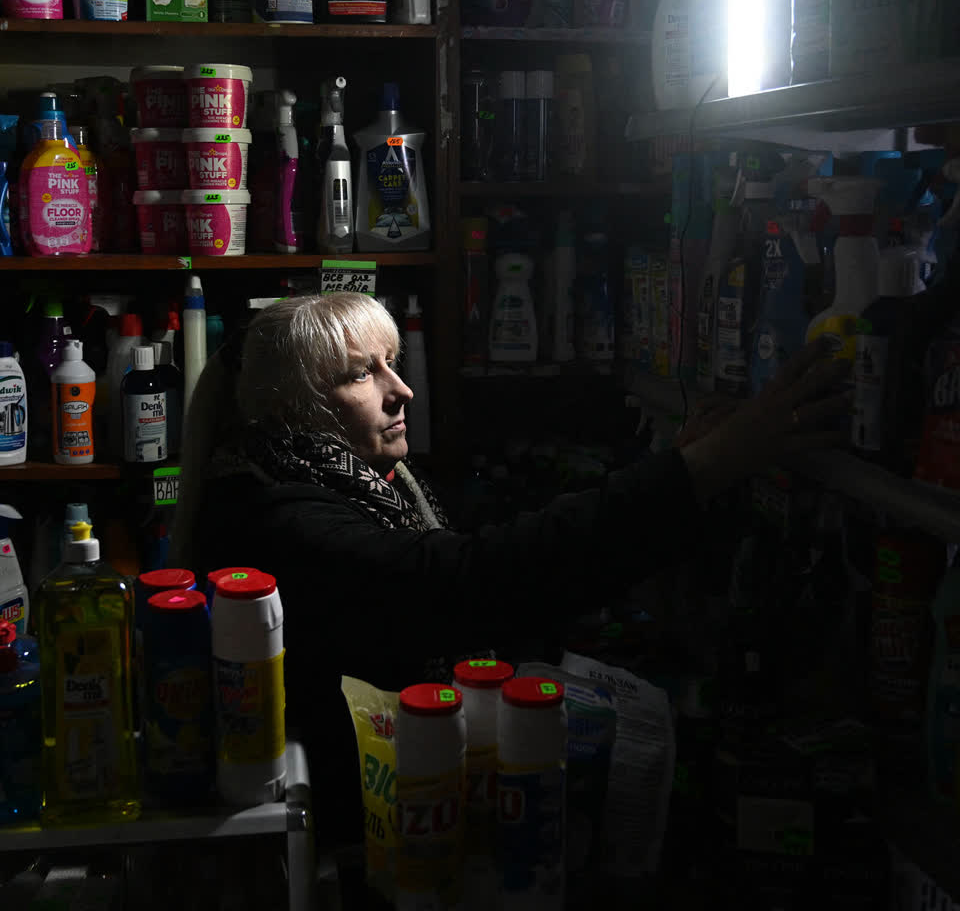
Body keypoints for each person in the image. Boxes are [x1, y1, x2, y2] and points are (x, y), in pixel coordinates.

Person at [174, 292, 849, 839]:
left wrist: (667, 473)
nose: (401, 389)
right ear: (293, 408)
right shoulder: (277, 521)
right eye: (362, 373)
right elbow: (470, 580)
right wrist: (696, 472)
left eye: (393, 363)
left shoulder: (324, 482)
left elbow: (504, 548)